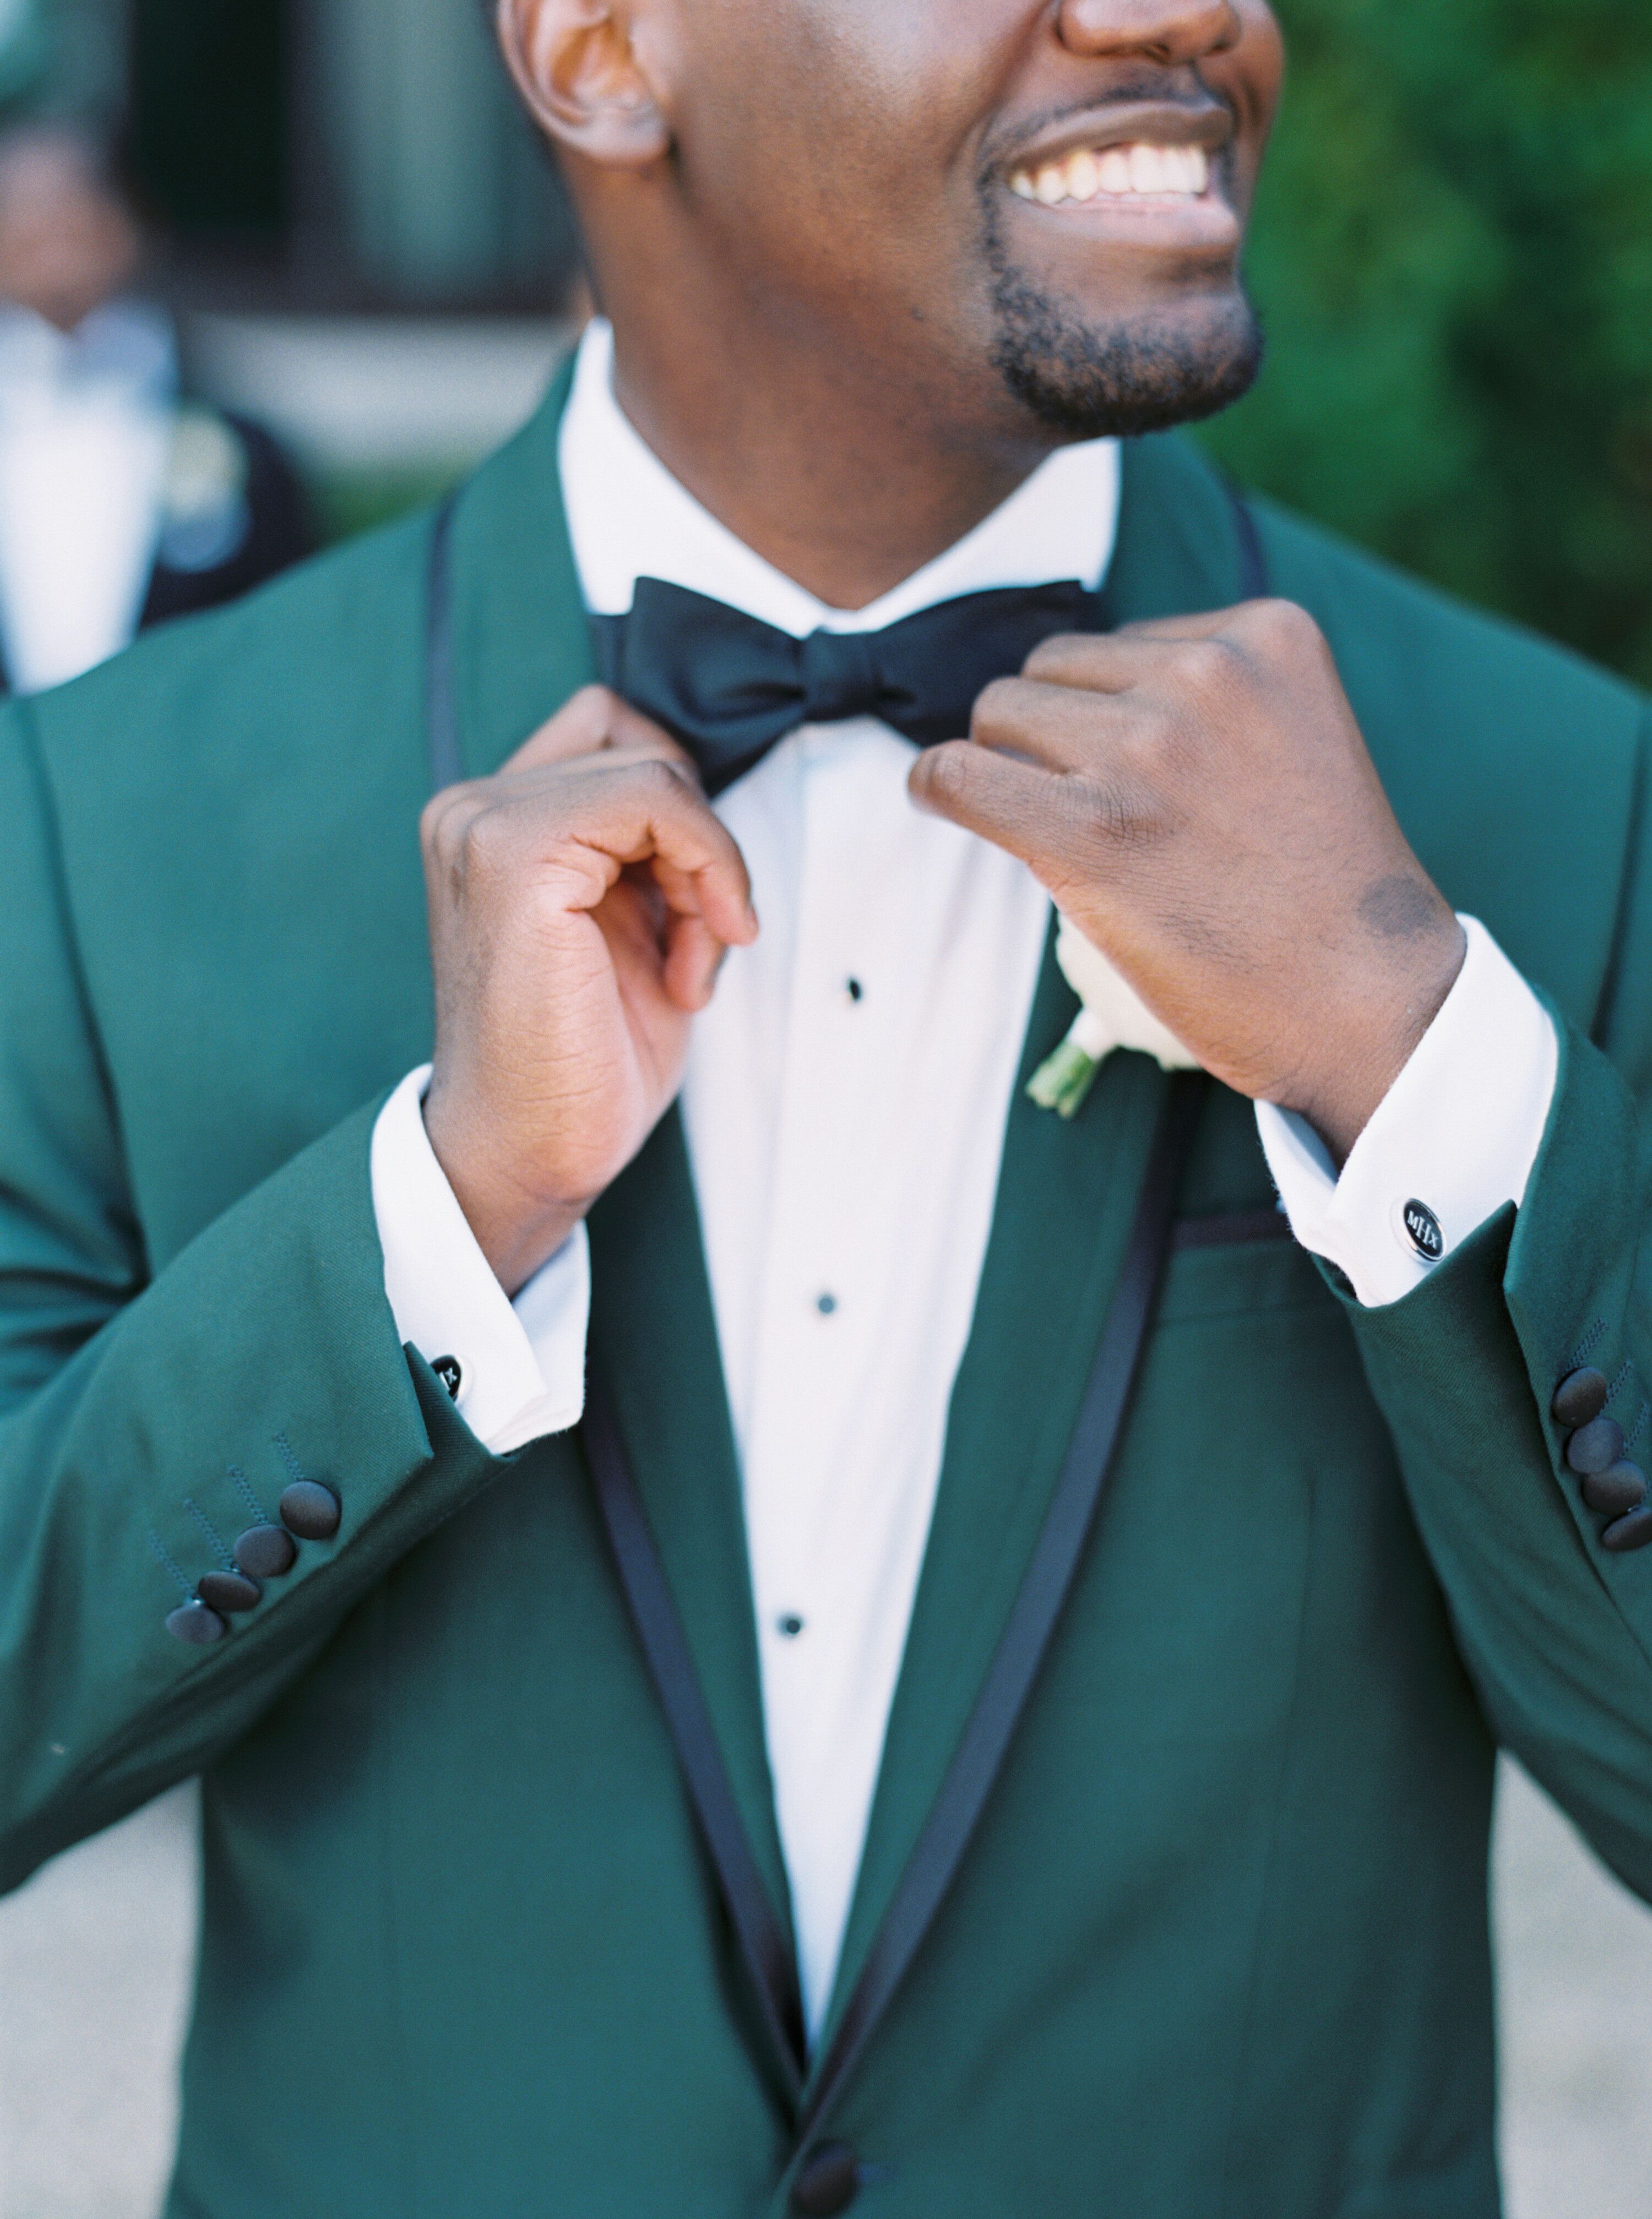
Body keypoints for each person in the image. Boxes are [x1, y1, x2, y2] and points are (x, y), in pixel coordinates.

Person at [1, 2, 1649, 2213]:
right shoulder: (110, 826)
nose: (1186, 13)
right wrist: (435, 1218)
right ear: (598, 47)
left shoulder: (1561, 798)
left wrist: (1408, 1054)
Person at [0, 124, 309, 693]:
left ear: (130, 224)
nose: (54, 233)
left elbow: (285, 641)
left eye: (75, 203)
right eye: (25, 211)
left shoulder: (238, 445)